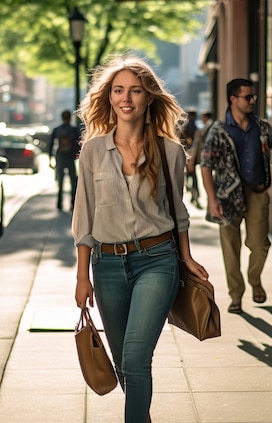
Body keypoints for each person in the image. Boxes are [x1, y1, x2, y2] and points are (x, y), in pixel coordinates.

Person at [72, 55, 209, 423]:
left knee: (135, 358)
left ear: (150, 97)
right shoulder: (93, 151)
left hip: (157, 261)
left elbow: (178, 212)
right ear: (109, 97)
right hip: (107, 266)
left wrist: (187, 257)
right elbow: (83, 217)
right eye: (118, 90)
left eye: (135, 90)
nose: (126, 98)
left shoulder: (171, 151)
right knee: (123, 364)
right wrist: (82, 275)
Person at [200, 78, 272, 314]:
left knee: (260, 244)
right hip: (227, 196)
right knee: (230, 249)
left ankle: (255, 279)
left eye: (253, 96)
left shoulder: (263, 127)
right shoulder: (219, 130)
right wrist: (212, 199)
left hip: (257, 192)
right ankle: (236, 295)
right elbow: (206, 165)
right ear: (233, 99)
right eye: (248, 97)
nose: (252, 101)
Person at [49, 110, 81, 211]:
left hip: (60, 157)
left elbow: (51, 144)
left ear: (62, 117)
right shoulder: (74, 129)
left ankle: (59, 203)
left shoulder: (57, 129)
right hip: (70, 157)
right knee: (73, 182)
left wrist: (50, 158)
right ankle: (73, 203)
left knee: (60, 181)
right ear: (70, 117)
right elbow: (79, 144)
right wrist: (77, 156)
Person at [186, 111, 214, 209]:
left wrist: (192, 158)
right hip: (197, 157)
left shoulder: (202, 129)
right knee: (194, 177)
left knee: (195, 177)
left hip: (198, 158)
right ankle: (194, 194)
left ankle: (194, 194)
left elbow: (195, 145)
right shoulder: (199, 128)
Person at [182, 110, 201, 207]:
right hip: (191, 157)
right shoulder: (192, 127)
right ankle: (194, 195)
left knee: (190, 176)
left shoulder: (186, 127)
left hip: (189, 157)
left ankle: (193, 194)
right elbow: (194, 145)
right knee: (192, 177)